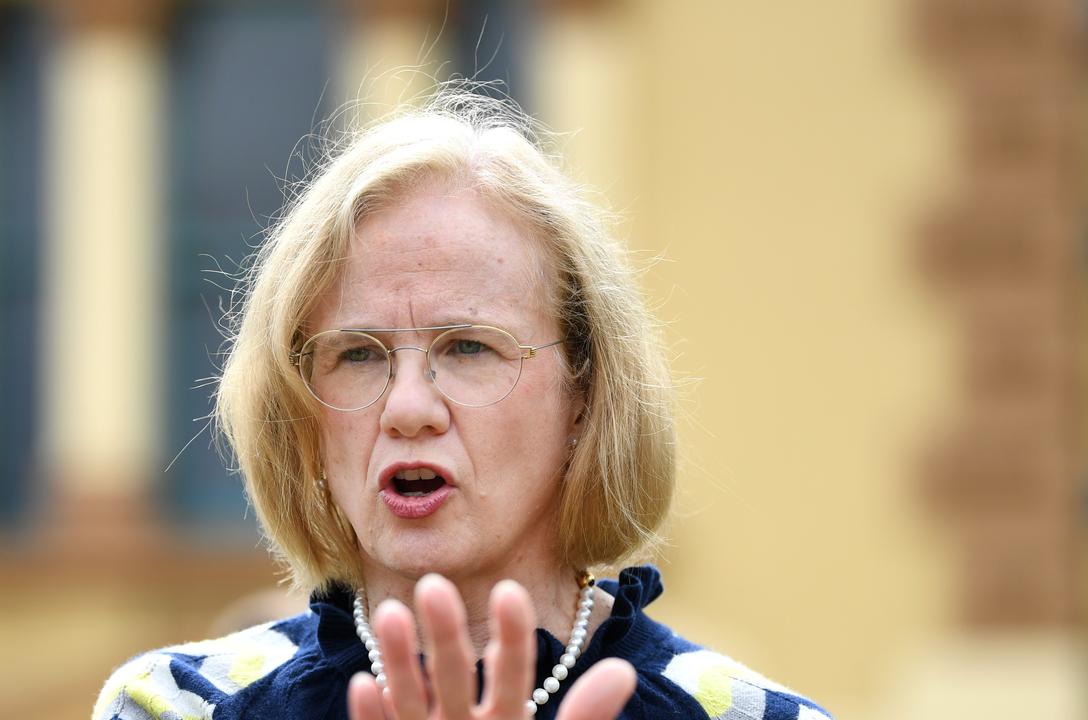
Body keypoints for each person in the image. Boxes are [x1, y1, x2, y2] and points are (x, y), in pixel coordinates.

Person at [92, 87, 832, 720]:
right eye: (357, 355)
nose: (409, 407)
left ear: (584, 395)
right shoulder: (178, 705)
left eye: (468, 348)